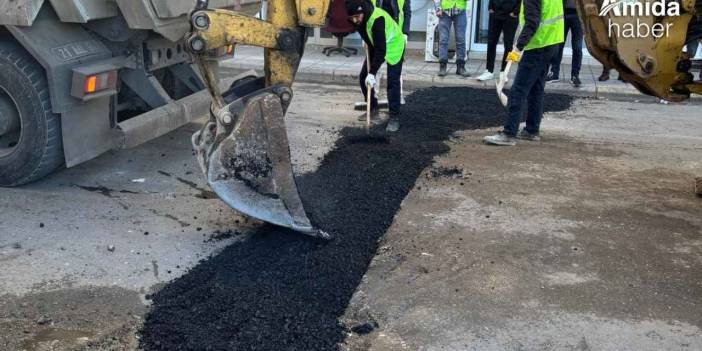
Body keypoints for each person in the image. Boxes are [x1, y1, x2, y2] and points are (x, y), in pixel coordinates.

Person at [483, 0, 564, 146]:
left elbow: (532, 22)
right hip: (552, 43)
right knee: (536, 90)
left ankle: (509, 133)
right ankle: (531, 130)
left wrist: (518, 47)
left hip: (538, 46)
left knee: (518, 91)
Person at [346, 0, 406, 132]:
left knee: (393, 81)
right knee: (363, 77)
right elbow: (372, 43)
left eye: (357, 17)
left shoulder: (377, 19)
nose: (355, 20)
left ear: (362, 12)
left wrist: (373, 73)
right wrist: (369, 73)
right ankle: (373, 108)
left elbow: (381, 50)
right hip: (377, 45)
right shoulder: (359, 20)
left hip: (395, 44)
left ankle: (394, 117)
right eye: (352, 18)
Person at [476, 0, 520, 82]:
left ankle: (504, 72)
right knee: (491, 42)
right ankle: (489, 71)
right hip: (495, 13)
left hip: (511, 16)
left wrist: (516, 12)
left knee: (508, 46)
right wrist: (490, 6)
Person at [545, 0, 582, 86]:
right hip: (562, 13)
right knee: (558, 45)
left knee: (577, 47)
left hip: (579, 15)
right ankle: (554, 73)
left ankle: (575, 75)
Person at [434, 0, 469, 76]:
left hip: (460, 9)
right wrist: (438, 8)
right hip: (444, 10)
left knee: (461, 40)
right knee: (443, 40)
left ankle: (461, 67)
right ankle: (442, 66)